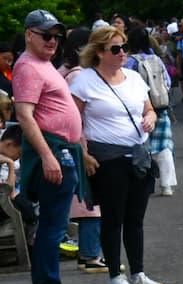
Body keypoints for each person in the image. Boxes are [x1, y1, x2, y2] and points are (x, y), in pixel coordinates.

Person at [71, 24, 164, 284]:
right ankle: (114, 276)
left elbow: (149, 109)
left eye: (124, 47)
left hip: (137, 156)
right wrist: (84, 154)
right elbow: (73, 122)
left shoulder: (134, 78)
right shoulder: (84, 81)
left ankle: (138, 272)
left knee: (135, 218)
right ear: (99, 52)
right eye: (115, 48)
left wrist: (150, 118)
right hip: (107, 159)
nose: (122, 53)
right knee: (113, 219)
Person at [12, 9, 95, 284]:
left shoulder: (43, 64)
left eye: (56, 36)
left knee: (54, 224)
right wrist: (48, 156)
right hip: (54, 150)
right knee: (52, 225)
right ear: (29, 35)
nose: (53, 41)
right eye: (46, 35)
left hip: (63, 149)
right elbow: (24, 115)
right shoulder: (28, 67)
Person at [58, 25, 105, 270]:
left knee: (89, 201)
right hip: (82, 142)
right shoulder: (78, 76)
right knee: (91, 203)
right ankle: (90, 254)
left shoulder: (64, 71)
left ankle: (90, 252)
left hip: (74, 142)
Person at [125, 25, 176, 195]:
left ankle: (142, 182)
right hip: (160, 107)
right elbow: (167, 82)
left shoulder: (130, 61)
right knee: (164, 146)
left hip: (139, 109)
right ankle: (167, 185)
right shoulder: (156, 59)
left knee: (141, 145)